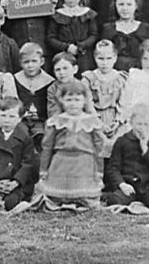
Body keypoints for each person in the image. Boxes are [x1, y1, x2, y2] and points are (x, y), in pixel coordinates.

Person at [37, 81, 105, 210]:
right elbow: (47, 147)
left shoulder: (92, 121)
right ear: (61, 100)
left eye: (77, 100)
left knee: (84, 197)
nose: (73, 104)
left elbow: (99, 149)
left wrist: (99, 172)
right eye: (69, 100)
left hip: (84, 163)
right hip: (61, 162)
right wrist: (43, 170)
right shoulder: (56, 121)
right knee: (55, 196)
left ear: (84, 101)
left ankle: (82, 197)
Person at [104, 103, 149, 210]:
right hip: (128, 184)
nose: (142, 128)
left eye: (146, 125)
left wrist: (146, 151)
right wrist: (122, 184)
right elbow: (113, 168)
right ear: (131, 123)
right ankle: (110, 195)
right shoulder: (122, 141)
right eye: (139, 124)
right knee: (115, 200)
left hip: (148, 186)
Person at [0, 98, 38, 212]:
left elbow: (28, 164)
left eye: (12, 117)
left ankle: (15, 203)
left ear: (19, 119)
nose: (7, 120)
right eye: (3, 116)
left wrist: (16, 182)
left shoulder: (25, 139)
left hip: (16, 183)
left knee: (11, 201)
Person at [82, 40, 128, 156]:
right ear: (95, 58)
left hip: (115, 119)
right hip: (95, 119)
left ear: (115, 58)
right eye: (101, 59)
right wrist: (99, 124)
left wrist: (118, 121)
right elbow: (88, 104)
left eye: (109, 58)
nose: (105, 63)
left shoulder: (121, 78)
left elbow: (124, 103)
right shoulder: (89, 78)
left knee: (119, 148)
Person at [46, 0, 99, 71]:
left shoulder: (87, 14)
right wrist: (66, 47)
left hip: (84, 55)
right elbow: (51, 38)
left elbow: (94, 35)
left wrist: (82, 45)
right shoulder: (58, 15)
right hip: (64, 55)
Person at [101, 0, 149, 71]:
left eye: (129, 4)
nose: (124, 8)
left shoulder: (145, 29)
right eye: (121, 4)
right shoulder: (108, 29)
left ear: (136, 5)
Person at [12, 42, 53, 147]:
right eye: (26, 62)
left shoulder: (49, 81)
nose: (30, 65)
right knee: (19, 137)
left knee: (42, 139)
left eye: (34, 61)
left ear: (42, 61)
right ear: (20, 63)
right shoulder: (15, 79)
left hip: (41, 121)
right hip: (21, 120)